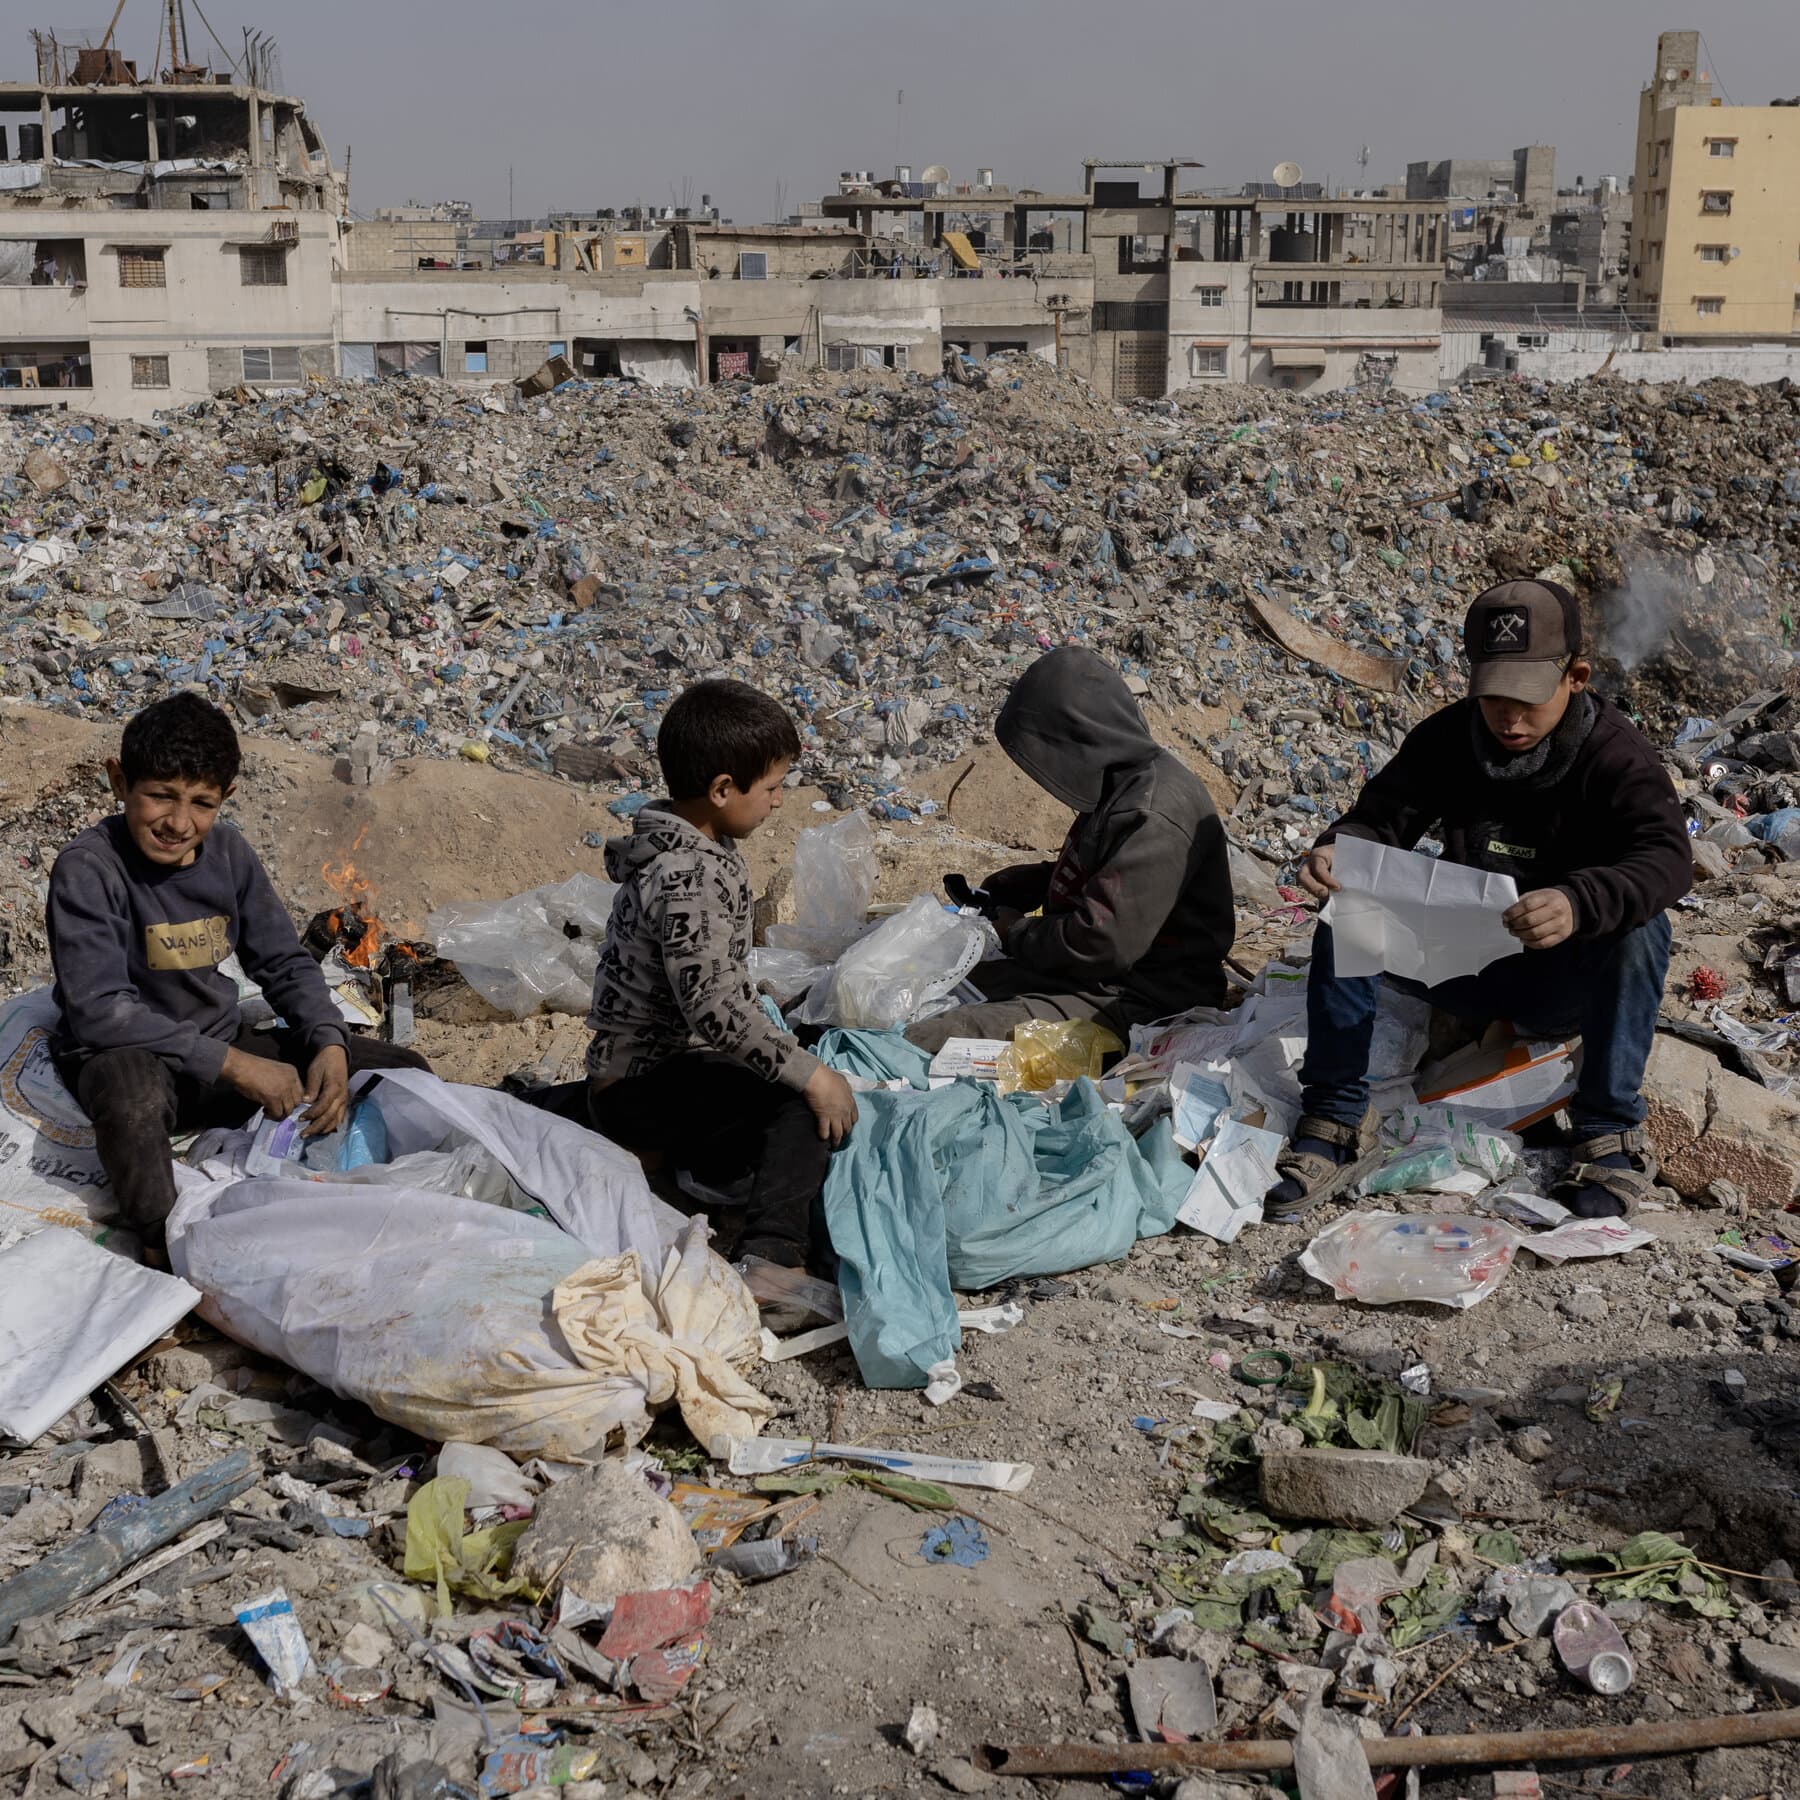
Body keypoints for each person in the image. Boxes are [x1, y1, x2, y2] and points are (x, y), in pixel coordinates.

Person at [1264, 579, 1691, 1223]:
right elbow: (1380, 820)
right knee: (1348, 907)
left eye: (1526, 700)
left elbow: (1665, 859)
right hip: (1461, 963)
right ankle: (1334, 1117)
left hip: (1561, 976)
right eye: (1492, 698)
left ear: (1575, 677)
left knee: (1641, 931)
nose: (1509, 718)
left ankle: (1608, 1135)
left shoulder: (1615, 756)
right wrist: (1336, 849)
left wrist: (1578, 902)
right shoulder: (1448, 739)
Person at [47, 693, 431, 1259]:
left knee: (404, 1072)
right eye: (159, 796)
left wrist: (326, 1039)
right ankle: (167, 1249)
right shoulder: (89, 868)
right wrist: (237, 1067)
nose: (179, 823)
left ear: (225, 798)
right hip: (133, 1058)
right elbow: (102, 1012)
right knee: (130, 1098)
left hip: (217, 1050)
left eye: (201, 804)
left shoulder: (228, 854)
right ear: (119, 781)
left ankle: (408, 1204)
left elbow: (281, 960)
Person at [585, 679, 858, 1271]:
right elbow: (711, 1009)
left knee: (788, 1056)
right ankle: (772, 1258)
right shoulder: (690, 877)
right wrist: (811, 1078)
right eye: (773, 788)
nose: (779, 802)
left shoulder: (684, 851)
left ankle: (653, 1155)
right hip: (643, 1088)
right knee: (802, 1101)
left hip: (633, 1076)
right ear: (722, 789)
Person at [905, 646, 1235, 1055]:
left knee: (941, 1034)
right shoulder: (1119, 782)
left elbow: (1100, 943)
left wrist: (1015, 932)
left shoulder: (1153, 812)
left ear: (1080, 740)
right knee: (921, 988)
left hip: (1138, 1002)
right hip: (1087, 979)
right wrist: (1038, 881)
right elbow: (1110, 873)